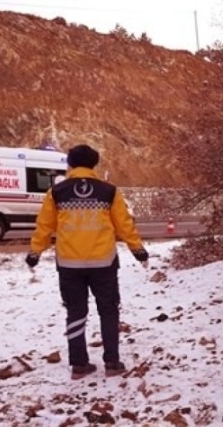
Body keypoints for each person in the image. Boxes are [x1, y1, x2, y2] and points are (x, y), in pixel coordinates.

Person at [26, 144, 149, 380]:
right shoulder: (109, 191)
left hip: (69, 264)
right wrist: (138, 250)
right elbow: (124, 225)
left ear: (70, 164)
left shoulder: (57, 192)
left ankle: (79, 365)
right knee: (109, 310)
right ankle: (112, 362)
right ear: (95, 164)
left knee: (75, 312)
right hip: (103, 263)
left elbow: (44, 226)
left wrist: (35, 252)